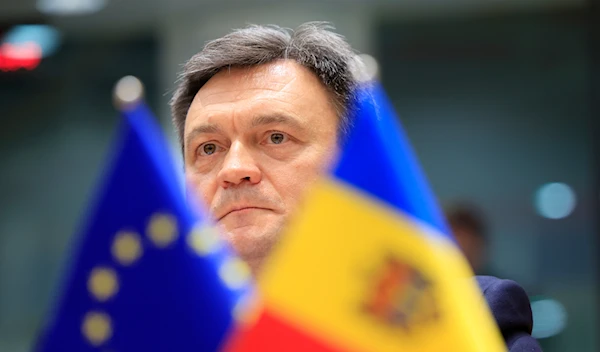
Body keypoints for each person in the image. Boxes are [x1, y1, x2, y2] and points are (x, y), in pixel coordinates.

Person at [170, 22, 541, 351]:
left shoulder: (462, 324)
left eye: (276, 137)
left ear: (350, 163)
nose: (234, 169)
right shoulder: (140, 332)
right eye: (208, 148)